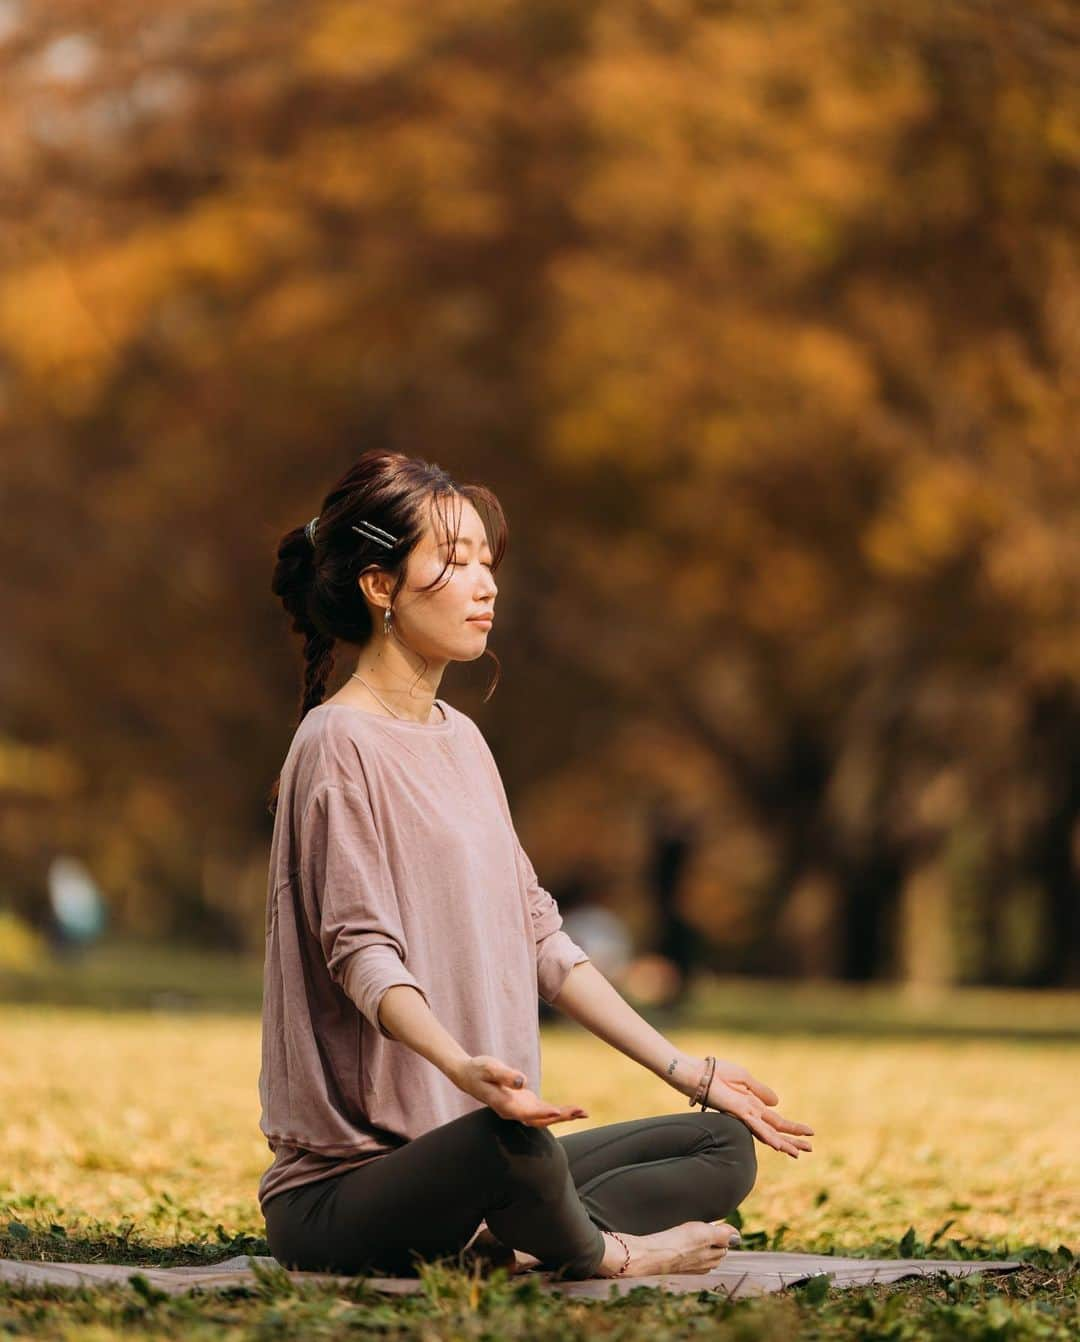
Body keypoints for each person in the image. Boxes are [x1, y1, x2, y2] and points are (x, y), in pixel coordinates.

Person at [258, 450, 814, 1281]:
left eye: (488, 561)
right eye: (454, 562)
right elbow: (362, 956)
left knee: (719, 1143)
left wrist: (689, 1071)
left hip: (484, 1154)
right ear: (380, 586)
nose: (485, 585)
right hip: (350, 1193)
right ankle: (605, 1254)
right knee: (511, 1150)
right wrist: (462, 1069)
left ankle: (512, 1245)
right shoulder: (337, 744)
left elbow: (541, 939)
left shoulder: (465, 742)